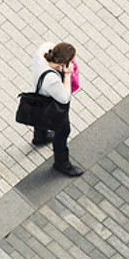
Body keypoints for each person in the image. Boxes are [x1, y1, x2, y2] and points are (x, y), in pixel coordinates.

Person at [29, 42, 82, 177]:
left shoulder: (43, 49)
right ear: (63, 64)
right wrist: (68, 75)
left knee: (40, 118)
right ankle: (61, 163)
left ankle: (40, 137)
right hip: (50, 104)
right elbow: (64, 98)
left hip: (38, 97)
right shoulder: (52, 79)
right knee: (63, 131)